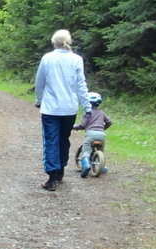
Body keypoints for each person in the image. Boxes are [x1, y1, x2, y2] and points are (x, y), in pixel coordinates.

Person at [34, 29, 89, 190]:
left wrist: (39, 100)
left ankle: (52, 178)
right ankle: (61, 170)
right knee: (64, 139)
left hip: (50, 108)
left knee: (51, 140)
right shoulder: (76, 59)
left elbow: (40, 82)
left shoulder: (47, 58)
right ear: (68, 41)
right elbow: (81, 85)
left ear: (53, 42)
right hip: (69, 108)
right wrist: (87, 106)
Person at [73, 92, 112, 177]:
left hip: (91, 134)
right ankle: (102, 166)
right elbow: (109, 122)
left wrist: (75, 127)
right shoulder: (101, 113)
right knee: (101, 150)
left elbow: (83, 125)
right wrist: (103, 127)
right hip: (101, 134)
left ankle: (86, 166)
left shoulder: (88, 113)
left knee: (86, 151)